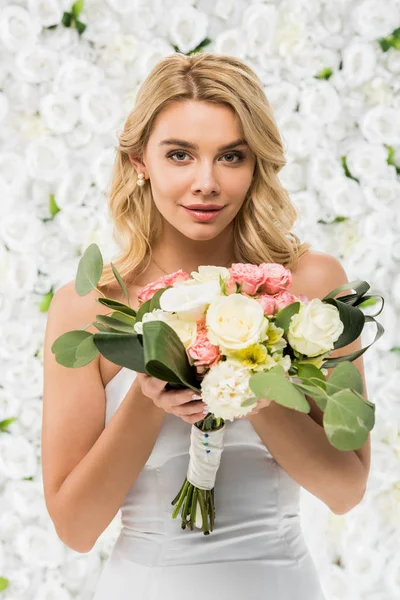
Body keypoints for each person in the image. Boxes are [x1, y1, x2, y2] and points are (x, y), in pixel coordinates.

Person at [42, 52, 370, 600]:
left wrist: (253, 381)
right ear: (139, 160)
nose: (206, 183)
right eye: (179, 155)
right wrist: (150, 396)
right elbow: (75, 530)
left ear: (256, 163)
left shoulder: (314, 285)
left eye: (231, 157)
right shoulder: (87, 308)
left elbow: (346, 492)